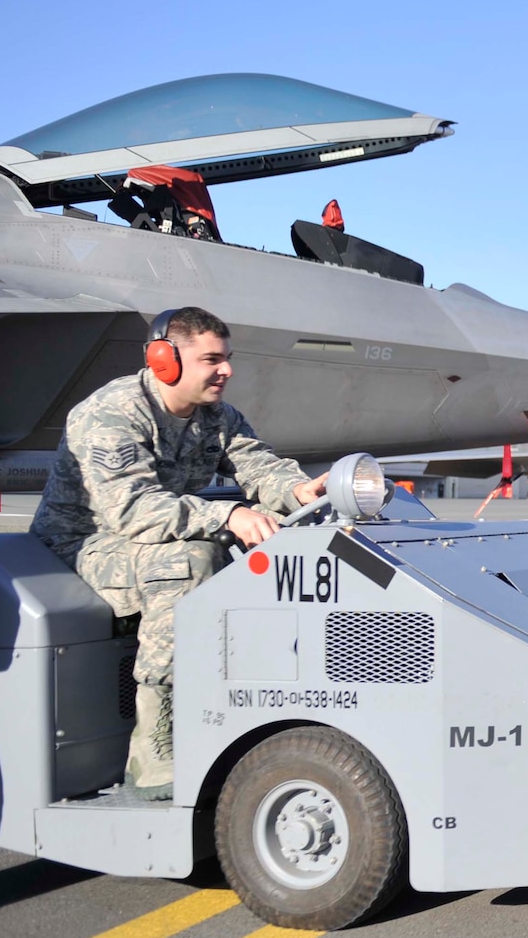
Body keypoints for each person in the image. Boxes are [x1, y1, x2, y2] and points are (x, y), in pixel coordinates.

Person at [31, 307, 327, 799]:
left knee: (263, 541)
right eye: (212, 359)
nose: (226, 370)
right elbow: (132, 509)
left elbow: (258, 466)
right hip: (84, 544)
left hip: (154, 537)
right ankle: (153, 745)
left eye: (227, 358)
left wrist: (299, 491)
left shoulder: (217, 417)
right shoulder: (112, 412)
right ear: (163, 360)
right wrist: (227, 516)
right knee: (189, 562)